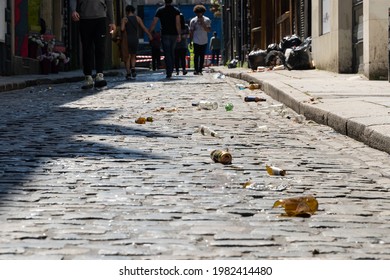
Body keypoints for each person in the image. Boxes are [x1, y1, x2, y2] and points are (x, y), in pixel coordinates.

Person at [70, 0, 115, 90]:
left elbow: (109, 2)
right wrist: (73, 10)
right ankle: (88, 77)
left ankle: (100, 75)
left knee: (100, 48)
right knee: (86, 48)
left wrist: (112, 21)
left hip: (100, 18)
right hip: (85, 18)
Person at [149, 0, 181, 79]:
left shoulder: (160, 10)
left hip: (165, 34)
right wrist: (179, 34)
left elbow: (154, 22)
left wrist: (149, 31)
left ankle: (169, 71)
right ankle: (171, 69)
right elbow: (178, 23)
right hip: (174, 34)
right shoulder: (176, 10)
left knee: (167, 53)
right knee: (172, 52)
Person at [121, 5, 152, 80]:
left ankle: (128, 73)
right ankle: (133, 69)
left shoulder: (125, 19)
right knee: (133, 55)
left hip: (127, 39)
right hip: (135, 39)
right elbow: (143, 27)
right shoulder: (138, 18)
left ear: (127, 11)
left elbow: (122, 29)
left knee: (127, 57)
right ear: (133, 11)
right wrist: (149, 35)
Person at [189, 5, 211, 75]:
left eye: (200, 12)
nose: (199, 14)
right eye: (198, 13)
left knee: (202, 56)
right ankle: (196, 70)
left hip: (204, 40)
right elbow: (191, 31)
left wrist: (203, 23)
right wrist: (191, 41)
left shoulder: (207, 20)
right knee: (196, 55)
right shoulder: (193, 21)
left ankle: (200, 69)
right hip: (196, 40)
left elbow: (208, 30)